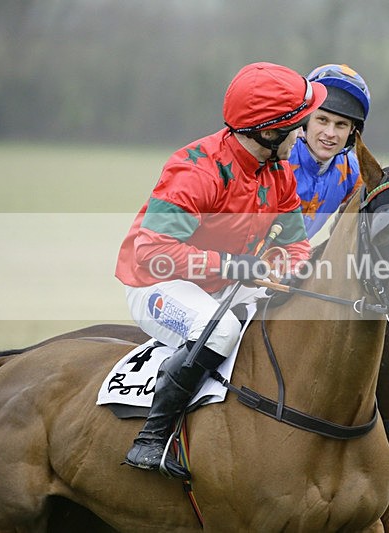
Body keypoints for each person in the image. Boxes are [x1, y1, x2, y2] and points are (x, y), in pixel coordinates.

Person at [115, 62, 327, 479]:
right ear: (269, 133)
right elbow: (152, 251)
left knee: (292, 311)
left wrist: (282, 270)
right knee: (222, 330)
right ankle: (151, 440)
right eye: (299, 126)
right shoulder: (195, 171)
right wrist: (232, 265)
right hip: (158, 282)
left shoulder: (279, 171)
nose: (304, 135)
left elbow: (295, 243)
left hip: (228, 283)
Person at [289, 64, 372, 239]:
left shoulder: (353, 172)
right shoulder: (276, 158)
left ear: (352, 130)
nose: (330, 133)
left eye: (341, 124)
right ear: (305, 119)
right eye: (322, 120)